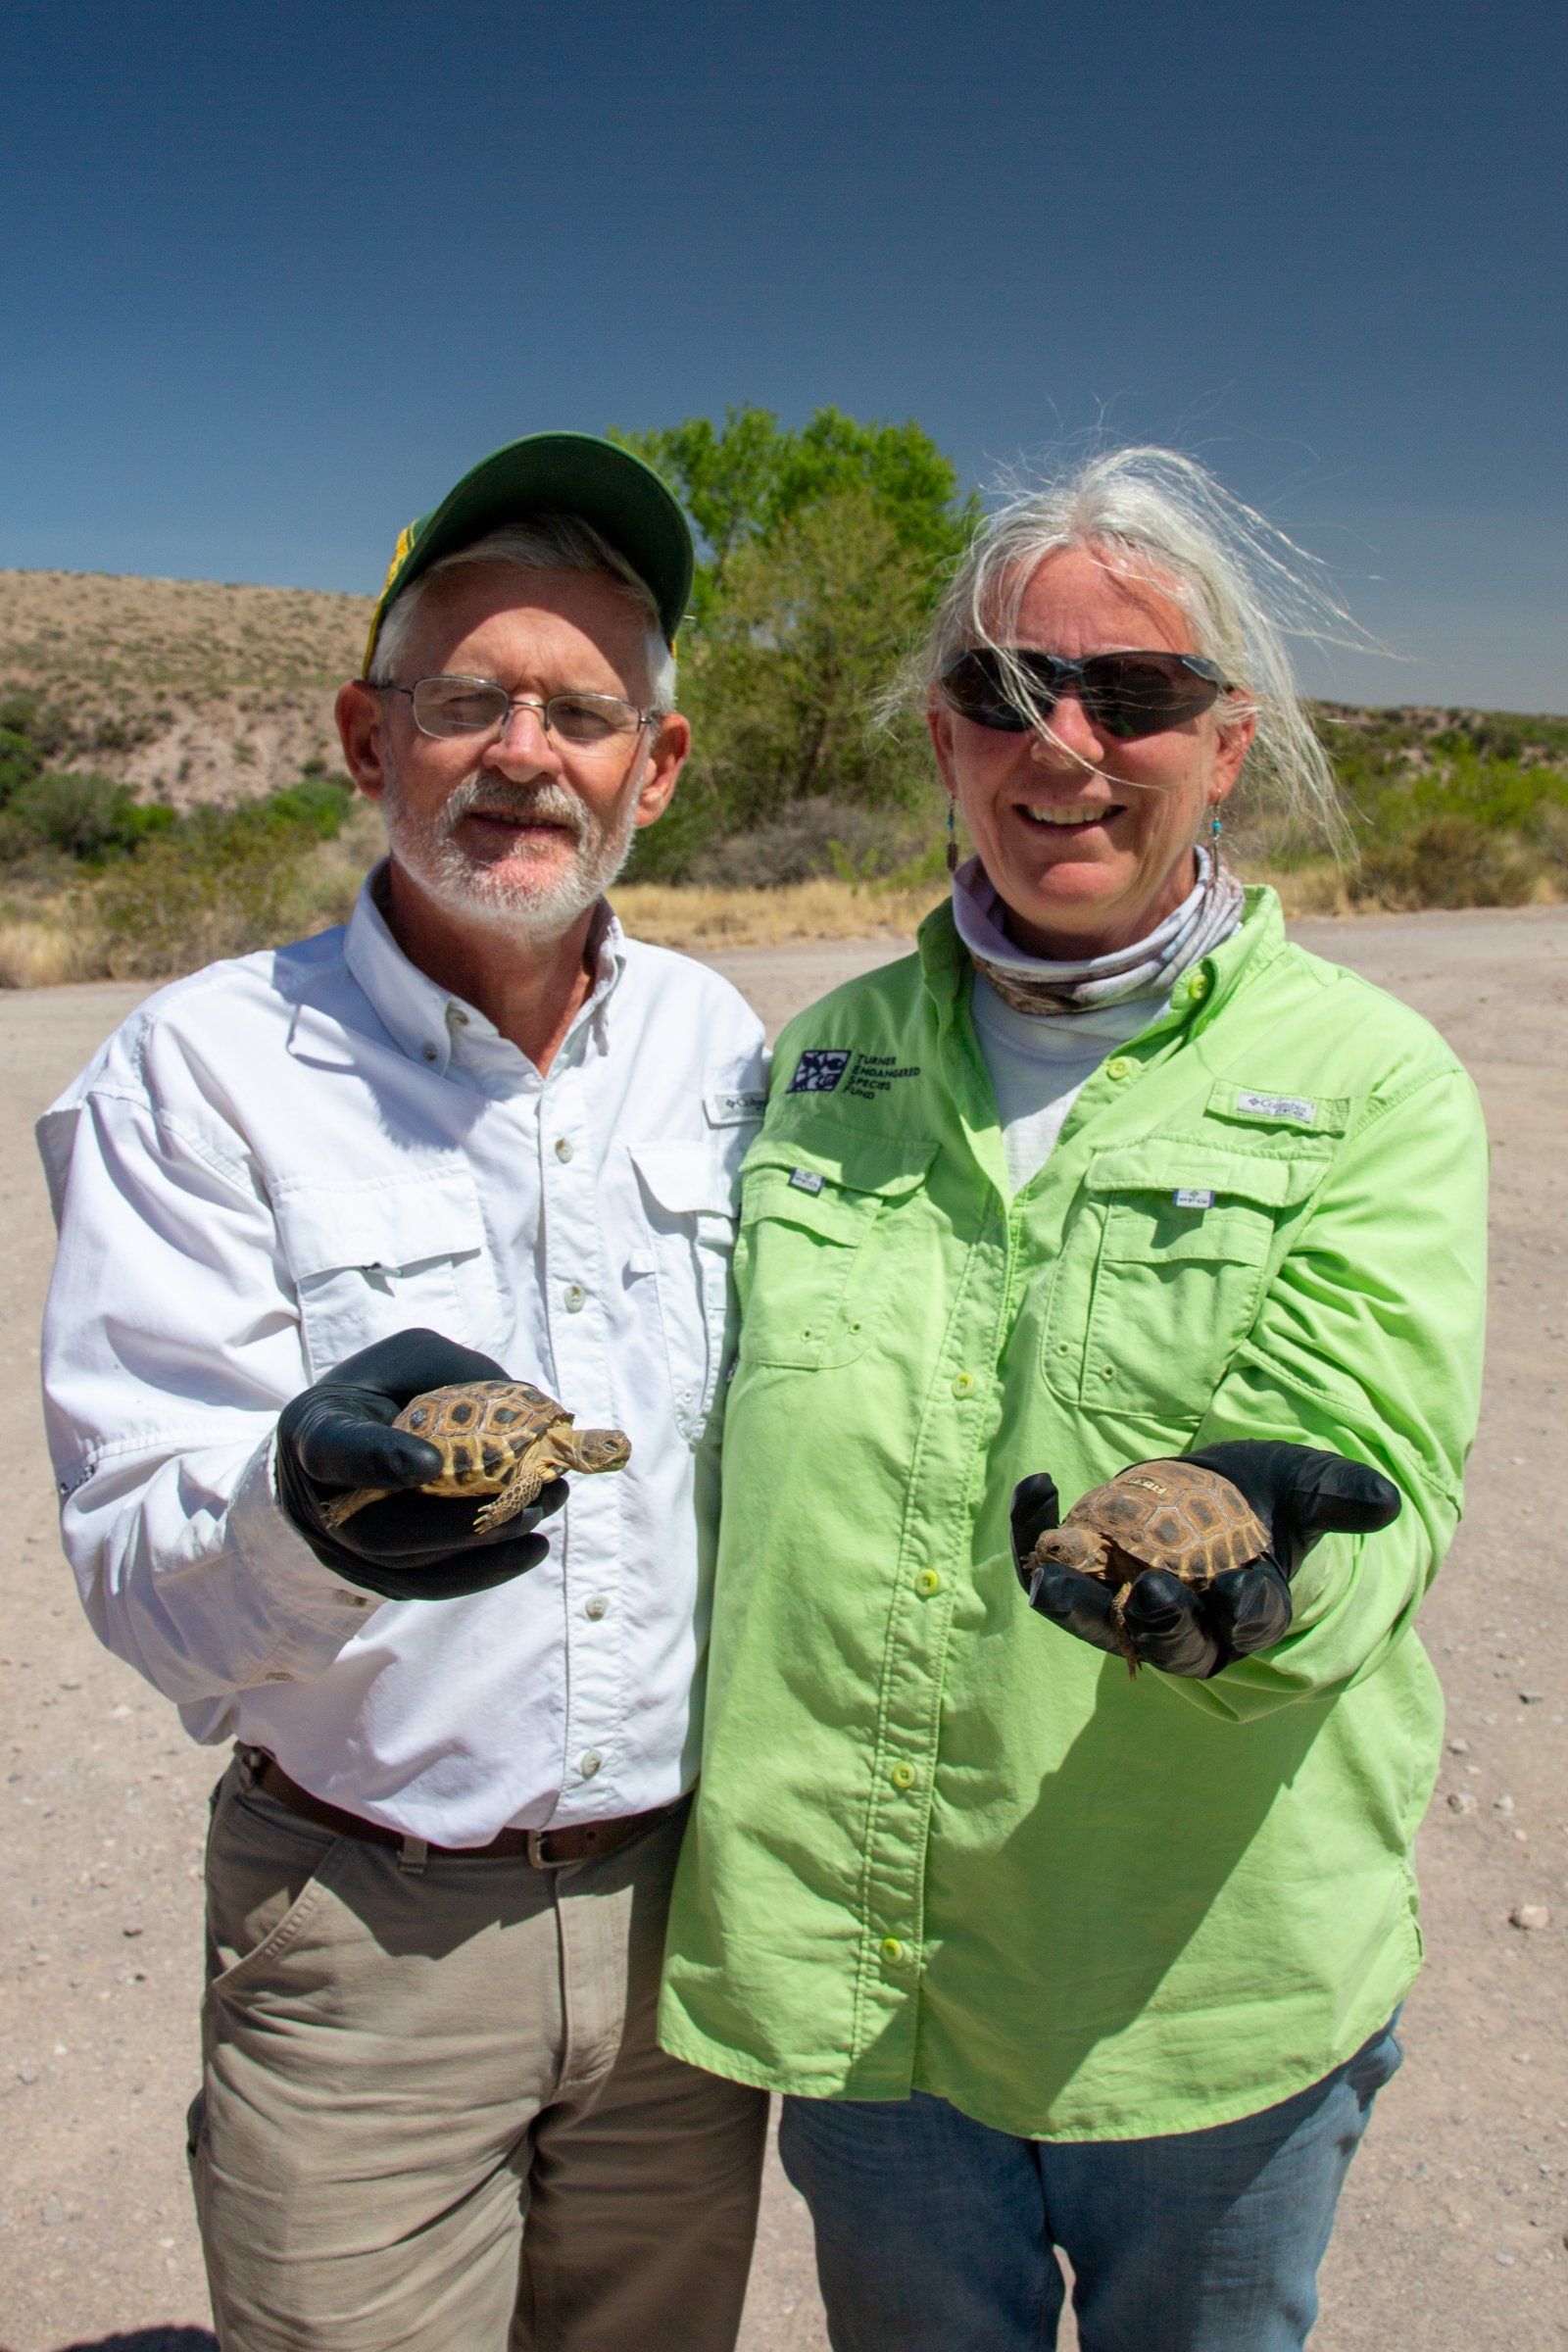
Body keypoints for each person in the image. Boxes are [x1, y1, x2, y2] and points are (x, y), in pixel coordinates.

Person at [660, 448, 1488, 2350]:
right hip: (872, 2001)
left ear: (1227, 740)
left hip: (1198, 1997)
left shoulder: (1365, 1080)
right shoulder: (814, 1068)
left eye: (1129, 695)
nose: (1064, 743)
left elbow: (1369, 1464)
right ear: (938, 740)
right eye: (1002, 692)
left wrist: (1264, 1557)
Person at [38, 432, 768, 2352]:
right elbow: (133, 1562)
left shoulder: (723, 1049)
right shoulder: (202, 1073)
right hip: (367, 1936)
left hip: (683, 1936)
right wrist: (308, 1513)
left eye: (584, 711)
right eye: (468, 700)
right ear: (369, 743)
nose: (525, 751)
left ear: (655, 772)